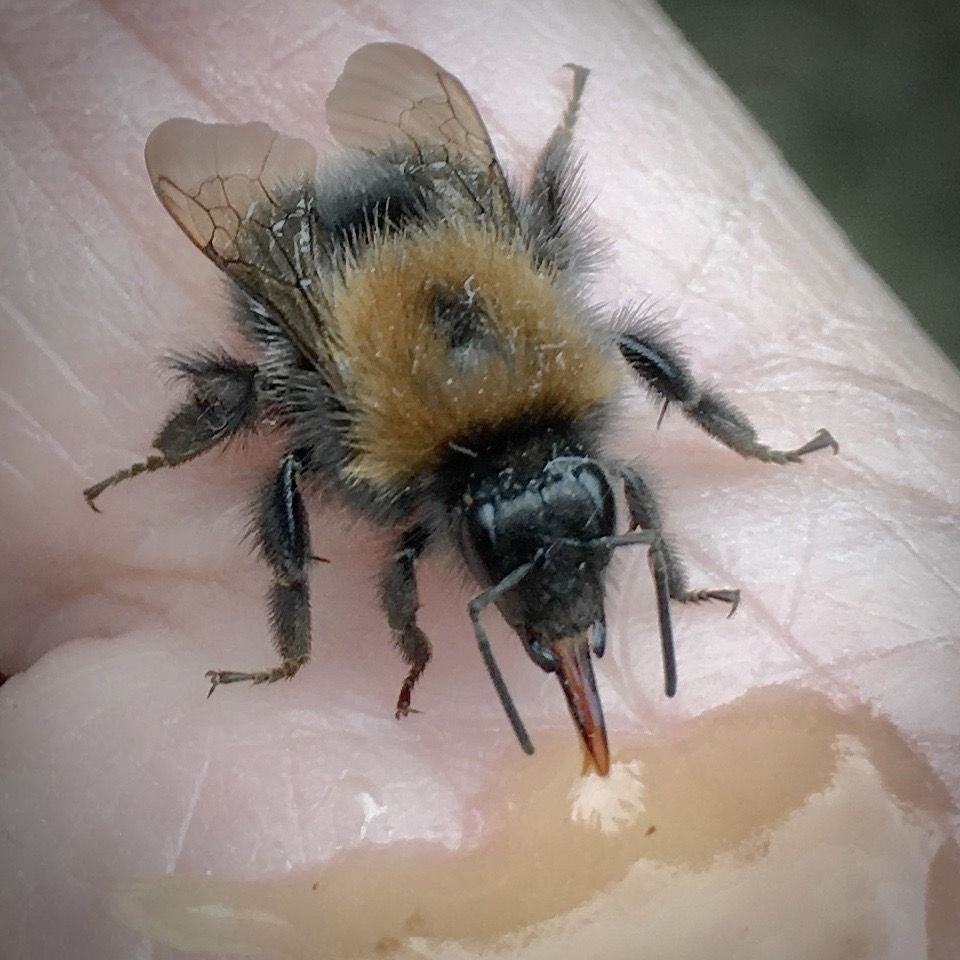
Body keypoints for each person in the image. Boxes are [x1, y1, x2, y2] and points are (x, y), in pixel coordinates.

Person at [1, 2, 957, 957]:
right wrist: (384, 633)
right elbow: (373, 541)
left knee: (548, 266)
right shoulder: (382, 432)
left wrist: (740, 477)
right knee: (272, 416)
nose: (569, 582)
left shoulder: (564, 376)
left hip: (446, 240)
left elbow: (623, 406)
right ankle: (216, 528)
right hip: (322, 257)